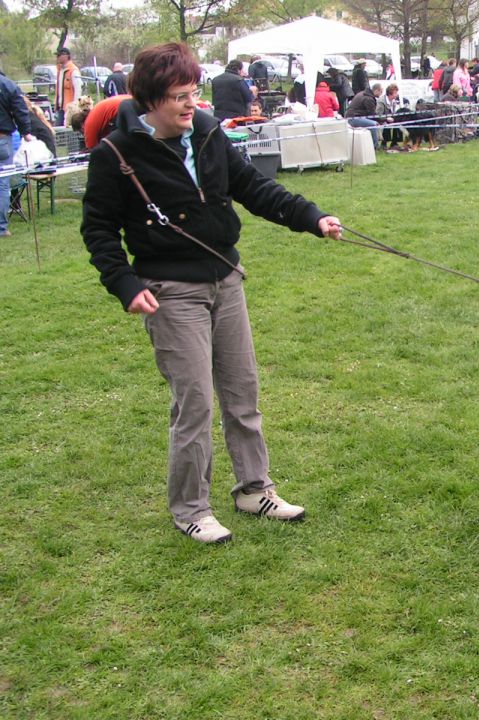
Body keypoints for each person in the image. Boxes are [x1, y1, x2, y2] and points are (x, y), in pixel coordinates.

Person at [80, 42, 343, 544]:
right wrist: (125, 284)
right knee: (195, 404)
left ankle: (253, 489)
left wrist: (313, 218)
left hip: (226, 278)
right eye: (179, 96)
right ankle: (191, 509)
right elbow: (98, 231)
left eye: (194, 93)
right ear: (150, 99)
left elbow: (254, 188)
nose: (191, 104)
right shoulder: (115, 154)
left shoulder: (206, 132)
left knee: (243, 393)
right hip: (170, 291)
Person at [0, 70, 34, 237]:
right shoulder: (8, 85)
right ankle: (1, 228)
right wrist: (26, 132)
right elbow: (20, 110)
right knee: (2, 184)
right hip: (2, 138)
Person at [345, 82, 383, 149]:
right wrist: (384, 119)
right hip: (353, 118)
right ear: (377, 90)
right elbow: (372, 114)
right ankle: (375, 146)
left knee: (374, 123)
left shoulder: (363, 93)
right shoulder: (368, 98)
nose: (381, 94)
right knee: (373, 124)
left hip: (353, 116)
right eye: (381, 92)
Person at [55, 47, 82, 126]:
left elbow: (78, 90)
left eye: (59, 55)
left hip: (70, 109)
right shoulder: (60, 70)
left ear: (66, 56)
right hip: (61, 108)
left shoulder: (73, 71)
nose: (58, 57)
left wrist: (75, 106)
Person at [376, 83, 403, 151]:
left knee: (398, 122)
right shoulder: (381, 101)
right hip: (380, 120)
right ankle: (383, 144)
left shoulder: (393, 101)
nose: (396, 94)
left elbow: (393, 113)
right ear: (390, 94)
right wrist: (386, 118)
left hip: (389, 119)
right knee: (387, 124)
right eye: (395, 93)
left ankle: (394, 143)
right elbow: (377, 115)